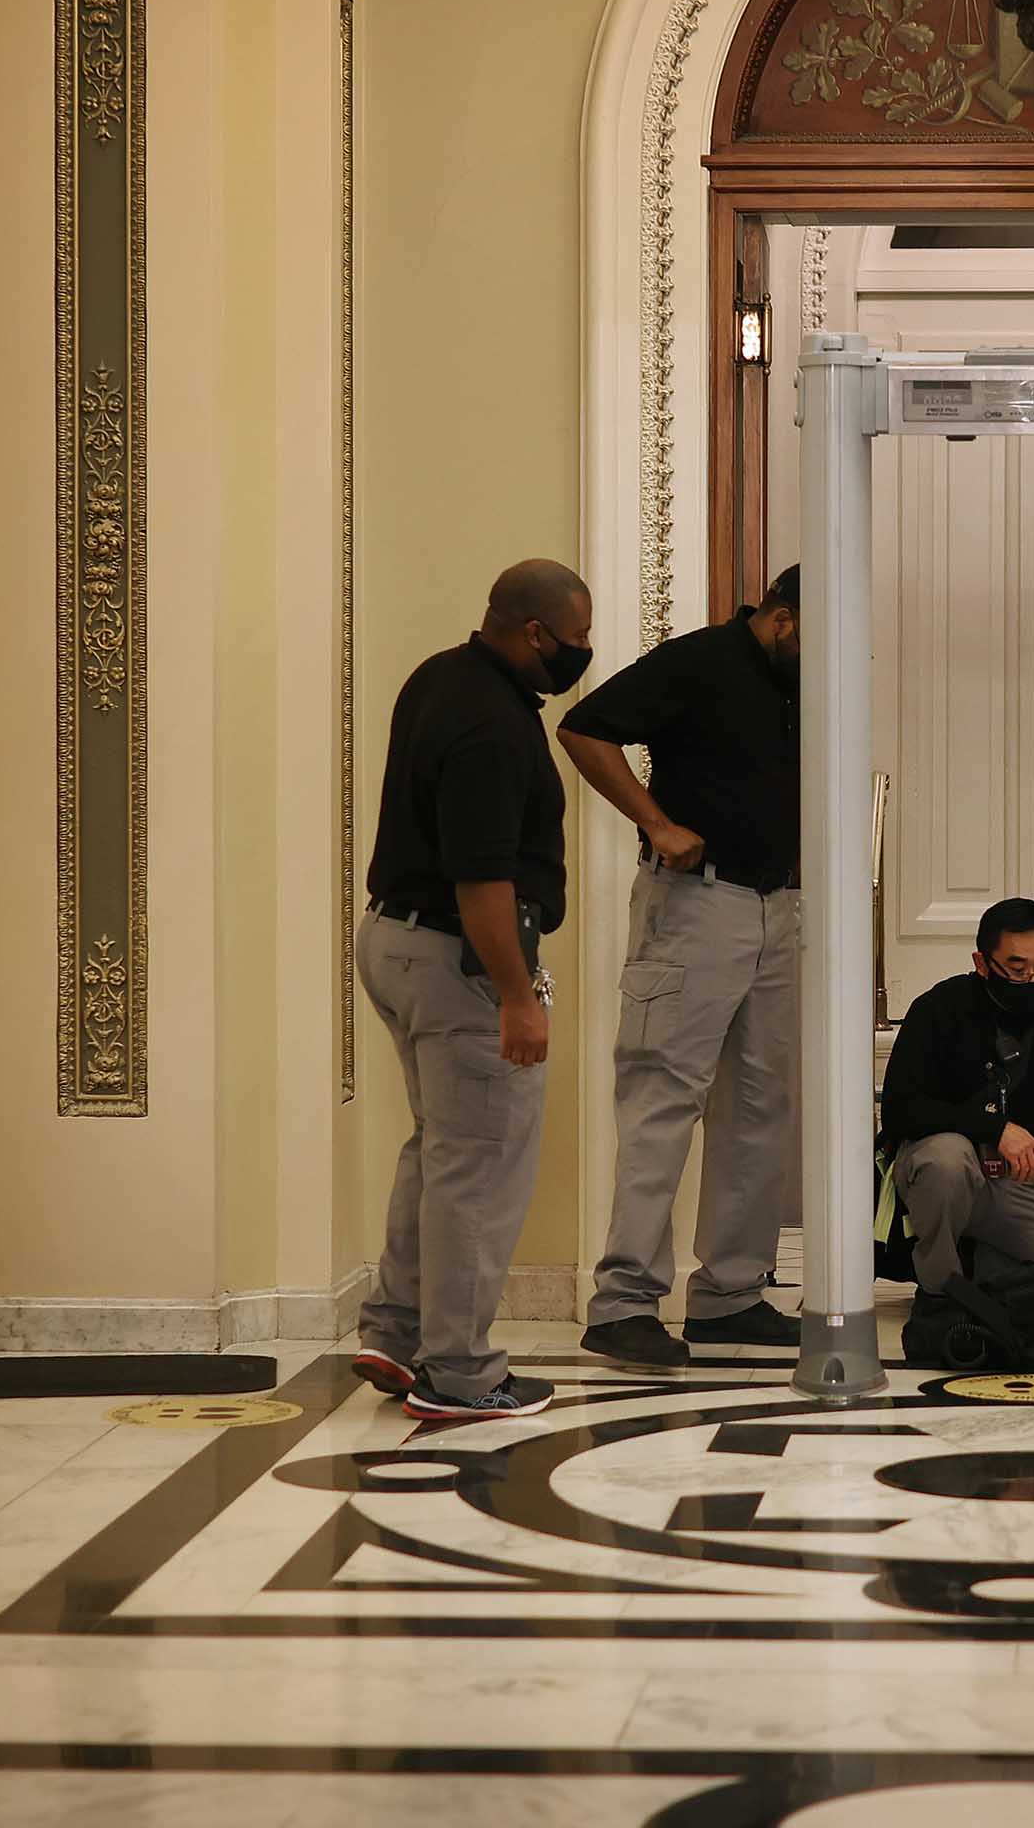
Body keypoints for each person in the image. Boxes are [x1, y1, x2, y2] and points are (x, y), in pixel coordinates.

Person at [352, 559, 592, 1421]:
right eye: (577, 640)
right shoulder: (494, 724)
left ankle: (396, 1327)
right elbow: (482, 879)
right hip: (461, 960)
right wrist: (518, 996)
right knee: (481, 1169)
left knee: (442, 1151)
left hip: (393, 940)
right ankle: (459, 1371)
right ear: (534, 633)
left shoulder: (439, 676)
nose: (583, 653)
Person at [559, 566, 805, 1369]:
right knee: (663, 1097)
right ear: (781, 619)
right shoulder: (700, 659)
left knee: (761, 1107)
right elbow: (585, 727)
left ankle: (731, 1294)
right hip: (697, 905)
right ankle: (624, 1301)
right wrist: (656, 822)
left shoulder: (802, 681)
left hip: (779, 909)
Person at [881, 899, 1034, 1323]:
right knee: (945, 1160)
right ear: (982, 962)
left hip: (1031, 1180)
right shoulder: (939, 1008)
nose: (1031, 979)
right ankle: (941, 1290)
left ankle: (983, 1265)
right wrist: (994, 1129)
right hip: (954, 1169)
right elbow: (902, 1108)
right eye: (1017, 970)